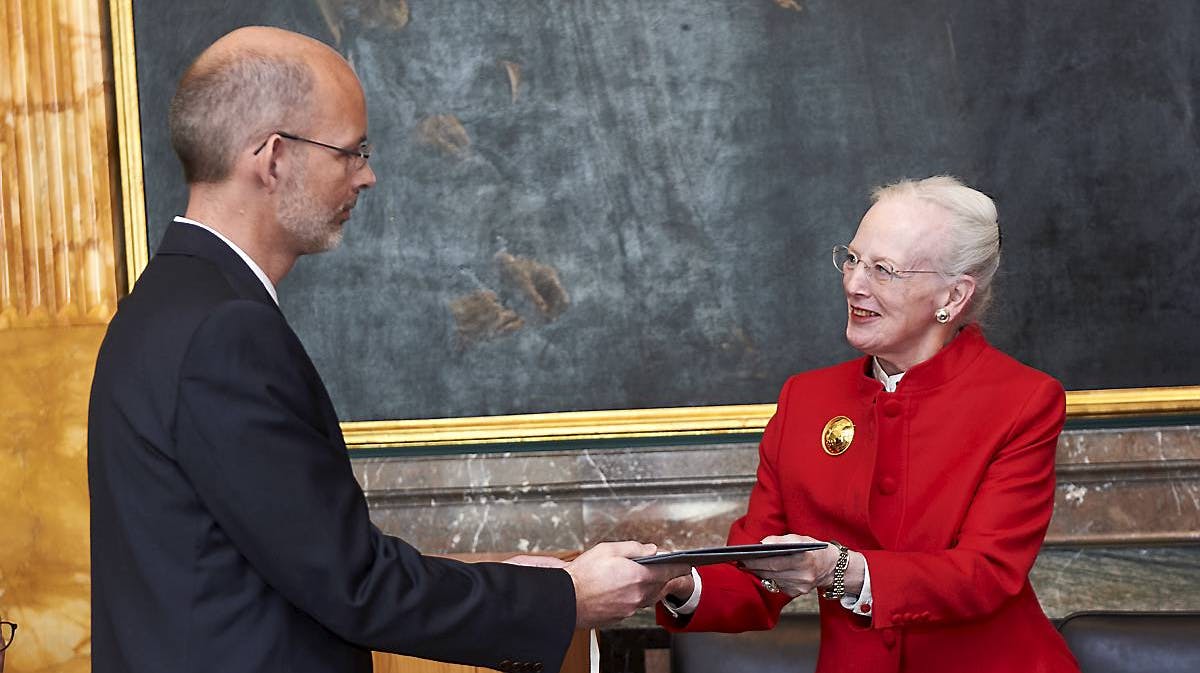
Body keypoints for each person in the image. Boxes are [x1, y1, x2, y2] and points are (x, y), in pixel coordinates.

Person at [88, 26, 686, 673]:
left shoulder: (162, 304)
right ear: (272, 157)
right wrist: (563, 596)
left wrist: (502, 576)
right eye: (351, 151)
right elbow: (354, 583)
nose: (367, 176)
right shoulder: (225, 331)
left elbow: (292, 555)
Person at [656, 176, 1080, 672]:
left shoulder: (1023, 399)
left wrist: (841, 570)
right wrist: (679, 583)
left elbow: (985, 574)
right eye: (853, 259)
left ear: (955, 295)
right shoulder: (805, 399)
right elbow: (758, 571)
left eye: (884, 270)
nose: (855, 284)